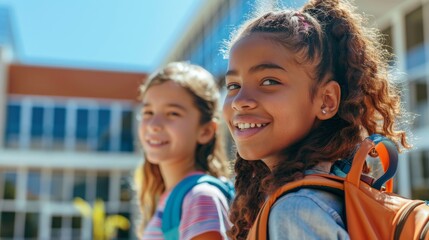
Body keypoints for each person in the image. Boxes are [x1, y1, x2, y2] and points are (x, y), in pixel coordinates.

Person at [222, 0, 411, 239]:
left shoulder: (296, 210)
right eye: (233, 85)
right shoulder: (326, 193)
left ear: (327, 101)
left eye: (269, 81)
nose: (240, 100)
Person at [134, 62, 232, 240]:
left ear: (206, 131)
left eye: (173, 113)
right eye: (148, 112)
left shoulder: (200, 197)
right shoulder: (172, 198)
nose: (154, 125)